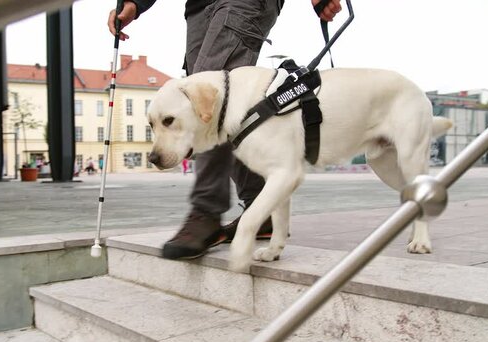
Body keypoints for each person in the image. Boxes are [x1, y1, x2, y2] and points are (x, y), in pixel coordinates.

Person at [109, 0, 341, 260]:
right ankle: (261, 206)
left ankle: (206, 211)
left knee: (210, 99)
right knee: (220, 108)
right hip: (197, 8)